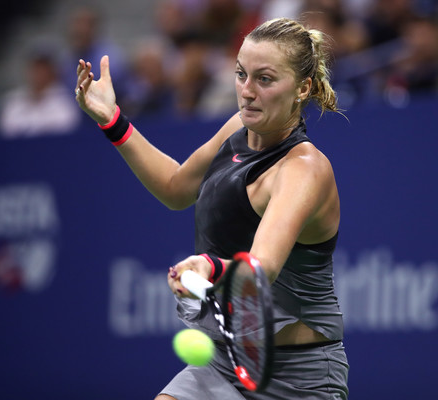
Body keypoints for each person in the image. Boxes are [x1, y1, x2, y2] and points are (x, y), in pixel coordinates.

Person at [75, 17, 349, 400]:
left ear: (303, 88)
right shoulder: (237, 128)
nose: (247, 91)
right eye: (241, 74)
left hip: (301, 377)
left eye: (265, 79)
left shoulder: (304, 169)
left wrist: (211, 266)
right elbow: (175, 188)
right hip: (224, 360)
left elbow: (262, 268)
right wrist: (113, 121)